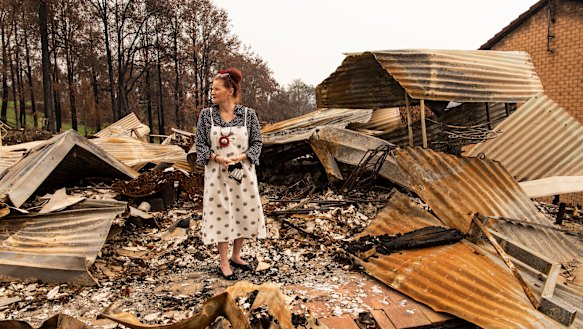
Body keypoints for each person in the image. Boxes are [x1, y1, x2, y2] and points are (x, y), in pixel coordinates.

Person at [195, 68, 266, 280]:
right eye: (211, 89)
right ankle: (223, 261)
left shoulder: (248, 115)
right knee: (221, 213)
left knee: (242, 211)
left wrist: (243, 156)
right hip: (217, 174)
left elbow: (257, 143)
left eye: (216, 89)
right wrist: (217, 158)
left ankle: (236, 256)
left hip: (242, 173)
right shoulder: (206, 116)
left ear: (230, 90)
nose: (212, 92)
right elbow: (200, 145)